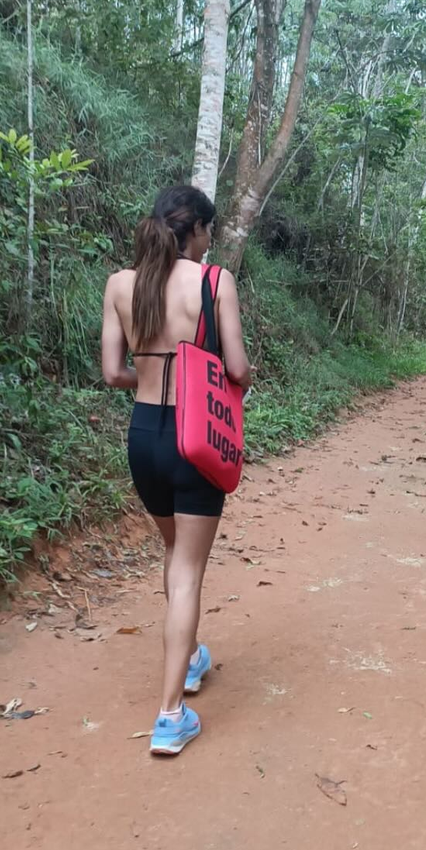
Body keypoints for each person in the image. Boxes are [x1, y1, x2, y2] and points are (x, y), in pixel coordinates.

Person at [101, 185, 251, 756]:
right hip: (195, 440)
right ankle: (170, 715)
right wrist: (241, 375)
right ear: (194, 232)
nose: (209, 243)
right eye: (208, 232)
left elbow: (113, 372)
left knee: (173, 554)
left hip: (144, 439)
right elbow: (235, 368)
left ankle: (189, 659)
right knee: (187, 570)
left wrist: (154, 373)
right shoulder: (214, 283)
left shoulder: (121, 284)